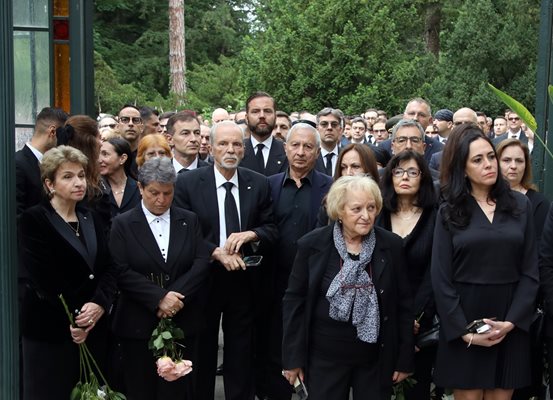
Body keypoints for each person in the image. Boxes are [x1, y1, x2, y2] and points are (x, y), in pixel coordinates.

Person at [282, 175, 414, 399]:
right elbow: (295, 302)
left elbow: (403, 304)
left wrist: (404, 358)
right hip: (324, 359)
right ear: (339, 211)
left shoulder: (391, 245)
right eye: (357, 209)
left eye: (371, 208)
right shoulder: (312, 245)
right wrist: (293, 359)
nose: (366, 216)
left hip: (375, 359)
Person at [431, 126, 539, 399]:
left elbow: (530, 270)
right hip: (465, 319)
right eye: (477, 160)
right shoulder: (448, 210)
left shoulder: (519, 205)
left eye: (491, 156)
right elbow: (441, 277)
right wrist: (463, 331)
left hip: (510, 319)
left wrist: (512, 321)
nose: (489, 164)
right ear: (462, 167)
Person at [174, 120, 278, 400]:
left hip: (244, 279)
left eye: (236, 144)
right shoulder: (187, 183)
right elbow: (183, 232)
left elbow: (271, 228)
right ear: (211, 148)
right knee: (203, 349)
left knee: (240, 352)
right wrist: (215, 251)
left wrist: (251, 234)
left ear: (243, 149)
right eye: (223, 144)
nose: (230, 150)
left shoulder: (257, 183)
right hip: (203, 278)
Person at [18, 145, 116, 400]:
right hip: (51, 332)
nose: (78, 182)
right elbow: (45, 279)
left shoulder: (90, 217)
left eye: (81, 175)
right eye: (68, 176)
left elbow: (108, 268)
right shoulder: (34, 219)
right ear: (49, 184)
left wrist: (99, 305)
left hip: (94, 328)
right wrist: (77, 319)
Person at [109, 157, 210, 400]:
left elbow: (200, 263)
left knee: (180, 390)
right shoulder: (123, 223)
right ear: (140, 188)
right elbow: (120, 269)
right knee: (141, 389)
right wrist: (158, 298)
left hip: (183, 321)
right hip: (138, 324)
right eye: (154, 192)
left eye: (167, 193)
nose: (161, 200)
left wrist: (175, 298)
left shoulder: (189, 219)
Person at [262, 123, 333, 399]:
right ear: (285, 148)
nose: (301, 152)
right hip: (276, 284)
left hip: (318, 286)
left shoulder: (331, 188)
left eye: (308, 147)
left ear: (317, 152)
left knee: (315, 353)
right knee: (277, 351)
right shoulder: (268, 186)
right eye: (295, 145)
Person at [377, 150, 438, 399]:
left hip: (420, 321)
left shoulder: (436, 216)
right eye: (399, 171)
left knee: (416, 389)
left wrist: (415, 318)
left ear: (423, 178)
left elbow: (436, 271)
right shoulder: (378, 214)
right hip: (379, 319)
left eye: (413, 172)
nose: (405, 177)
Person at [496, 138, 549, 242]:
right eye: (506, 160)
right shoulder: (485, 199)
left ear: (526, 166)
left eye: (519, 161)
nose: (513, 166)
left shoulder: (539, 203)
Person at [317, 143, 380, 227]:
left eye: (355, 166)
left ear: (369, 169)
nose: (348, 173)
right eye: (343, 167)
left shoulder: (384, 204)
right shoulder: (328, 204)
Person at [241, 91, 288, 176]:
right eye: (255, 111)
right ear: (246, 118)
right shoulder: (237, 151)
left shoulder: (288, 152)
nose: (262, 116)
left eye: (267, 111)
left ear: (275, 117)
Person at [99, 137, 141, 218]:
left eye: (105, 154)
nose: (99, 160)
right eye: (98, 154)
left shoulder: (139, 189)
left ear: (122, 158)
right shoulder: (96, 191)